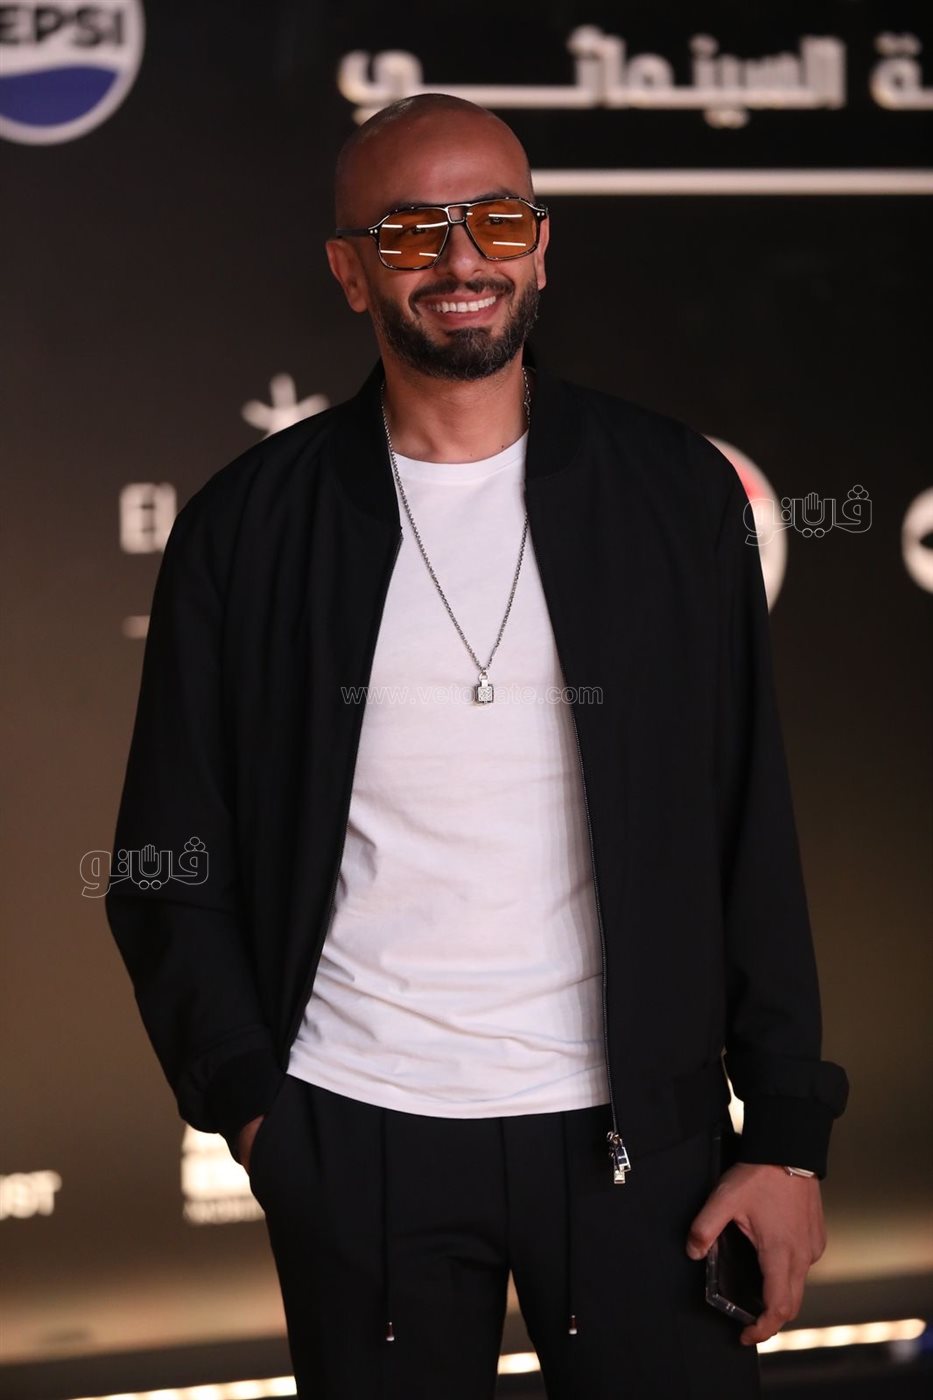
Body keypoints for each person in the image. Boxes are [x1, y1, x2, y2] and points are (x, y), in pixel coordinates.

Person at [105, 94, 849, 1399]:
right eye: (409, 231)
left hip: (647, 1142)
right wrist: (259, 1113)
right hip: (357, 1137)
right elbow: (167, 858)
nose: (461, 259)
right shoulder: (249, 528)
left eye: (496, 220)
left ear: (541, 245)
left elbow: (750, 823)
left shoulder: (675, 493)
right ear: (350, 270)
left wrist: (784, 1135)